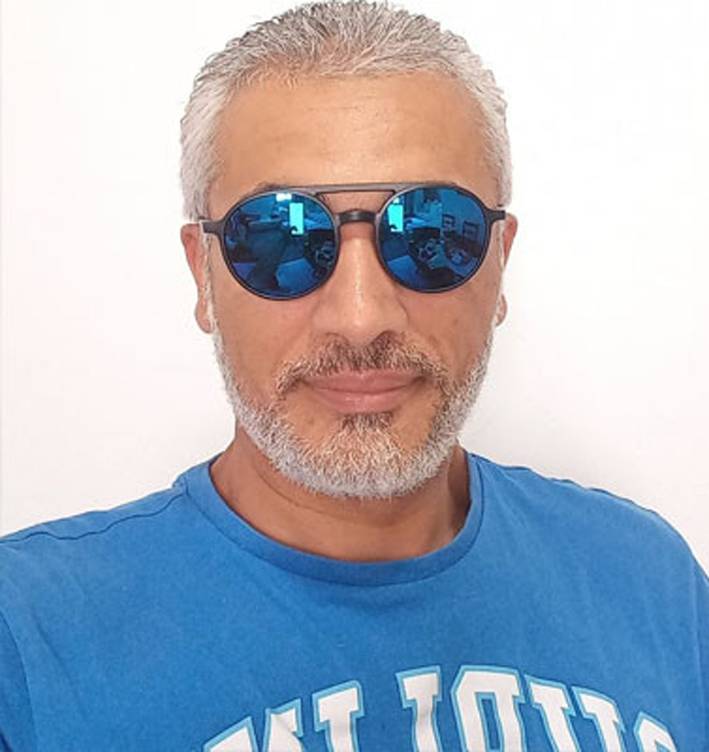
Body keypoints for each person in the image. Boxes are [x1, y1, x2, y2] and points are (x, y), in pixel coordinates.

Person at [1, 1, 706, 749]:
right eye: (279, 238)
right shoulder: (29, 640)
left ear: (499, 264)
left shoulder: (648, 581)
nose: (361, 316)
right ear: (203, 275)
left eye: (430, 232)